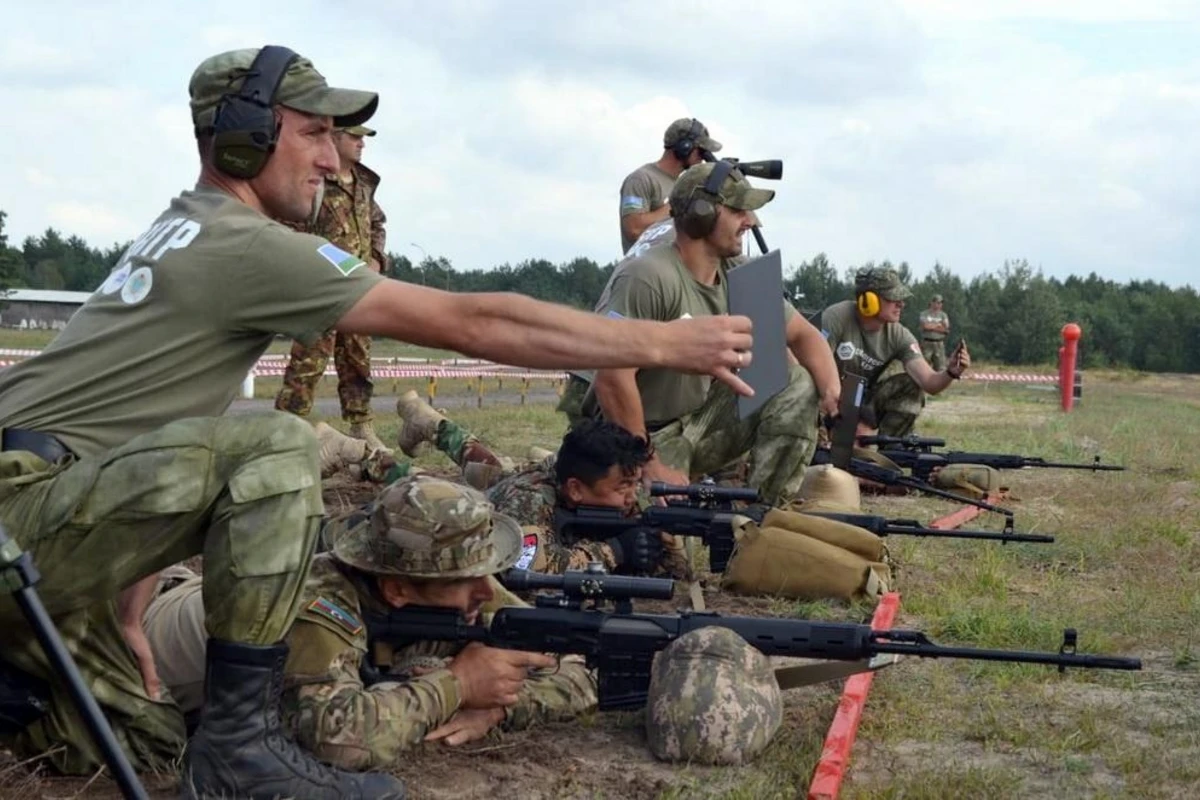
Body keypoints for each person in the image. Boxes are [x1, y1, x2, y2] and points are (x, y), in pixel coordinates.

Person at [0, 44, 754, 799]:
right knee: (276, 447)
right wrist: (660, 340)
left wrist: (129, 603)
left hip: (42, 520)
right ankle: (239, 753)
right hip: (22, 515)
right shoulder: (247, 246)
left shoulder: (189, 229)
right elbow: (472, 321)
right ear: (244, 137)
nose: (333, 160)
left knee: (145, 734)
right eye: (312, 133)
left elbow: (136, 429)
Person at [142, 476, 598, 770]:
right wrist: (455, 686)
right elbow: (338, 740)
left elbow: (575, 669)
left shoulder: (459, 585)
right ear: (397, 589)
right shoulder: (318, 607)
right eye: (468, 579)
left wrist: (496, 705)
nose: (487, 591)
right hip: (127, 656)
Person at [581, 162, 842, 506]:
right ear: (701, 214)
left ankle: (759, 521)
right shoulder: (648, 276)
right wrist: (648, 463)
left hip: (698, 421)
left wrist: (832, 394)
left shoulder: (740, 275)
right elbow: (612, 378)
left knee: (797, 383)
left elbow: (803, 335)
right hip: (638, 434)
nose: (749, 221)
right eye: (737, 210)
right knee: (662, 553)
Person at [274, 123, 391, 452]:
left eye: (363, 138)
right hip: (321, 289)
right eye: (355, 137)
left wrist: (377, 260)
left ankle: (360, 427)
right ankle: (286, 434)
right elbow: (289, 229)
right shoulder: (313, 181)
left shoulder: (364, 183)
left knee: (357, 359)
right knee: (308, 363)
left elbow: (377, 223)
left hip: (360, 289)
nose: (361, 144)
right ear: (334, 138)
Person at [485, 419, 689, 577]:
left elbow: (677, 573)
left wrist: (661, 543)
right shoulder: (528, 499)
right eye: (623, 486)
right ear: (575, 490)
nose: (632, 497)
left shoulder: (616, 496)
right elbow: (527, 572)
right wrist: (615, 551)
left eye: (635, 483)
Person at [820, 268, 971, 438]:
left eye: (901, 299)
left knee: (911, 385)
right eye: (893, 299)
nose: (901, 304)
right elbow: (814, 365)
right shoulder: (836, 317)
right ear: (868, 300)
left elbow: (929, 382)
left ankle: (886, 447)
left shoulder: (899, 335)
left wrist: (950, 372)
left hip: (862, 404)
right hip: (826, 397)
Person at [618, 118, 722, 253]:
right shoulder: (641, 179)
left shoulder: (683, 184)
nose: (702, 158)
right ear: (684, 147)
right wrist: (679, 203)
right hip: (648, 269)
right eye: (700, 151)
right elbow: (634, 229)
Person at [918, 294, 951, 371]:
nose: (940, 305)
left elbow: (946, 329)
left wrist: (932, 326)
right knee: (924, 366)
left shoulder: (943, 315)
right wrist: (938, 325)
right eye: (938, 302)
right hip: (927, 343)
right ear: (932, 303)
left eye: (941, 303)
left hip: (939, 343)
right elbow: (925, 326)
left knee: (940, 367)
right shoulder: (924, 314)